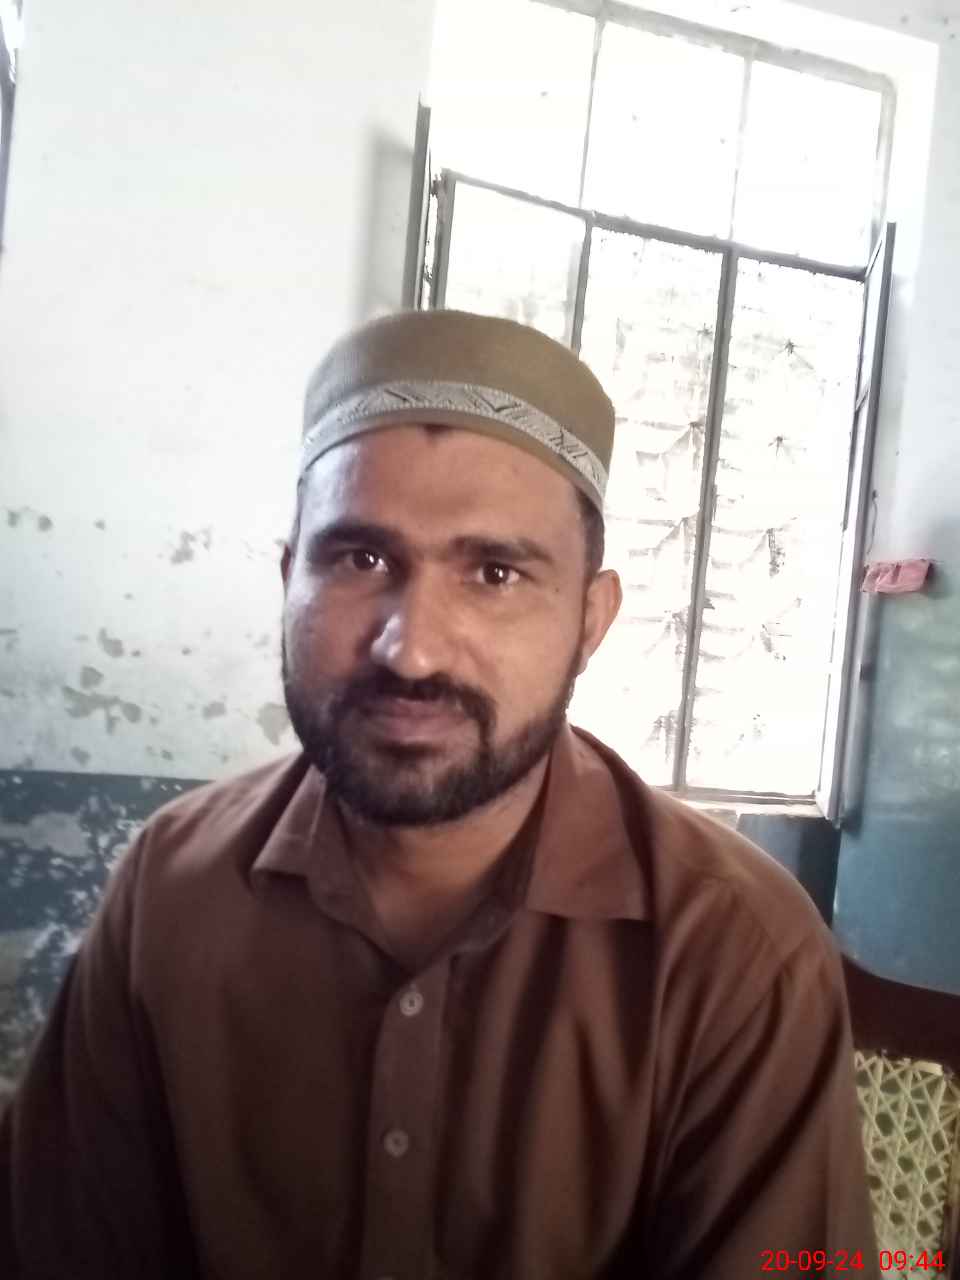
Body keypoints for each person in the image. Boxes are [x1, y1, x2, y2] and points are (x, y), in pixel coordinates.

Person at [0, 309, 878, 1279]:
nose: (411, 649)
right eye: (360, 560)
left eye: (495, 572)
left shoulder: (736, 952)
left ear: (591, 620)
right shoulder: (171, 887)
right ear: (289, 580)